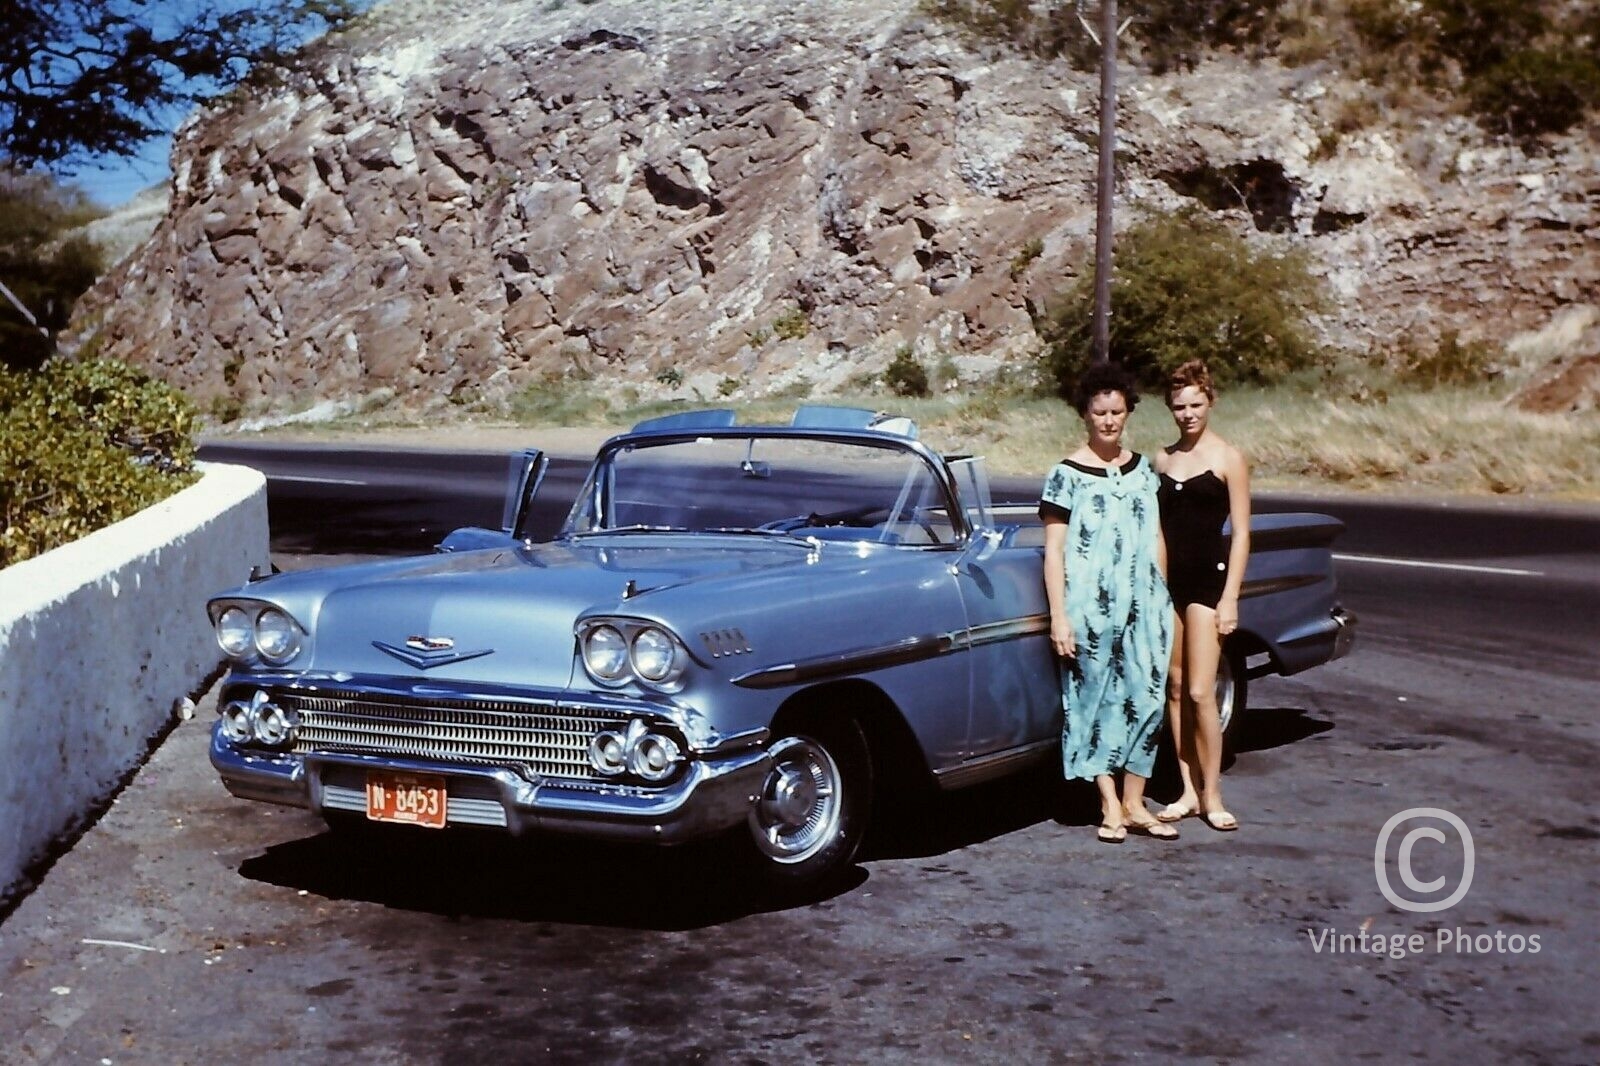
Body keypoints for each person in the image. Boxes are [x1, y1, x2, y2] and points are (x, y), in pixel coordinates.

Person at [1039, 361, 1176, 843]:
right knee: (1094, 701)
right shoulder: (1065, 475)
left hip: (1146, 605)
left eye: (1118, 411)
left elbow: (1156, 535)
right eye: (1101, 412)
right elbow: (1054, 552)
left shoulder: (1143, 471)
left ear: (1128, 413)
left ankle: (1137, 800)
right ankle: (1110, 805)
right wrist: (1060, 616)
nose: (1110, 421)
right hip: (1088, 609)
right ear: (1086, 414)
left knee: (1149, 698)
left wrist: (1162, 597)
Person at [1153, 359, 1250, 832]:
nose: (1187, 414)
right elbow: (1157, 532)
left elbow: (1243, 533)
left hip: (1209, 585)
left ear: (1210, 401)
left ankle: (1213, 794)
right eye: (1179, 406)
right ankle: (1186, 790)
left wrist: (1230, 597)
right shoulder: (1163, 458)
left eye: (1195, 404)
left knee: (1199, 690)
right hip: (1171, 584)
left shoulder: (1228, 457)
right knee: (1173, 688)